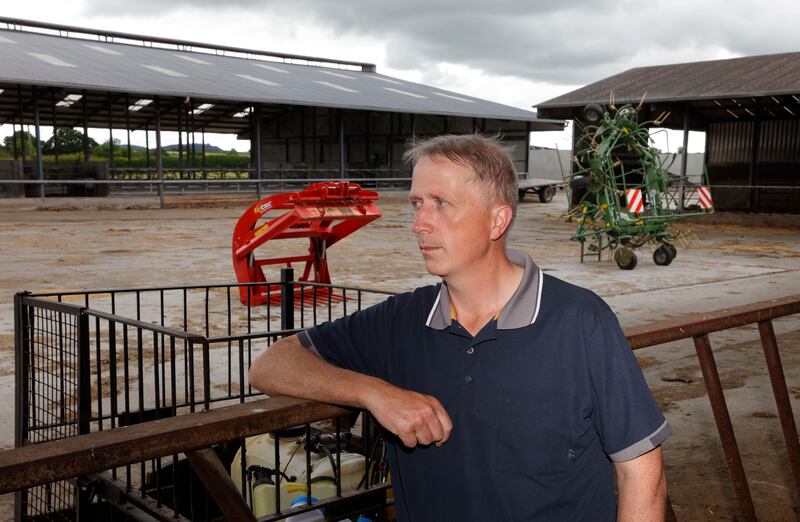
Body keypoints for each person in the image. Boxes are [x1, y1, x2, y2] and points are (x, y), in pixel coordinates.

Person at [249, 134, 671, 521]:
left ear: (496, 221)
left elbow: (642, 473)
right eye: (417, 204)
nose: (419, 223)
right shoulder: (401, 321)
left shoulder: (579, 320)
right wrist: (374, 392)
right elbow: (270, 365)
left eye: (441, 203)